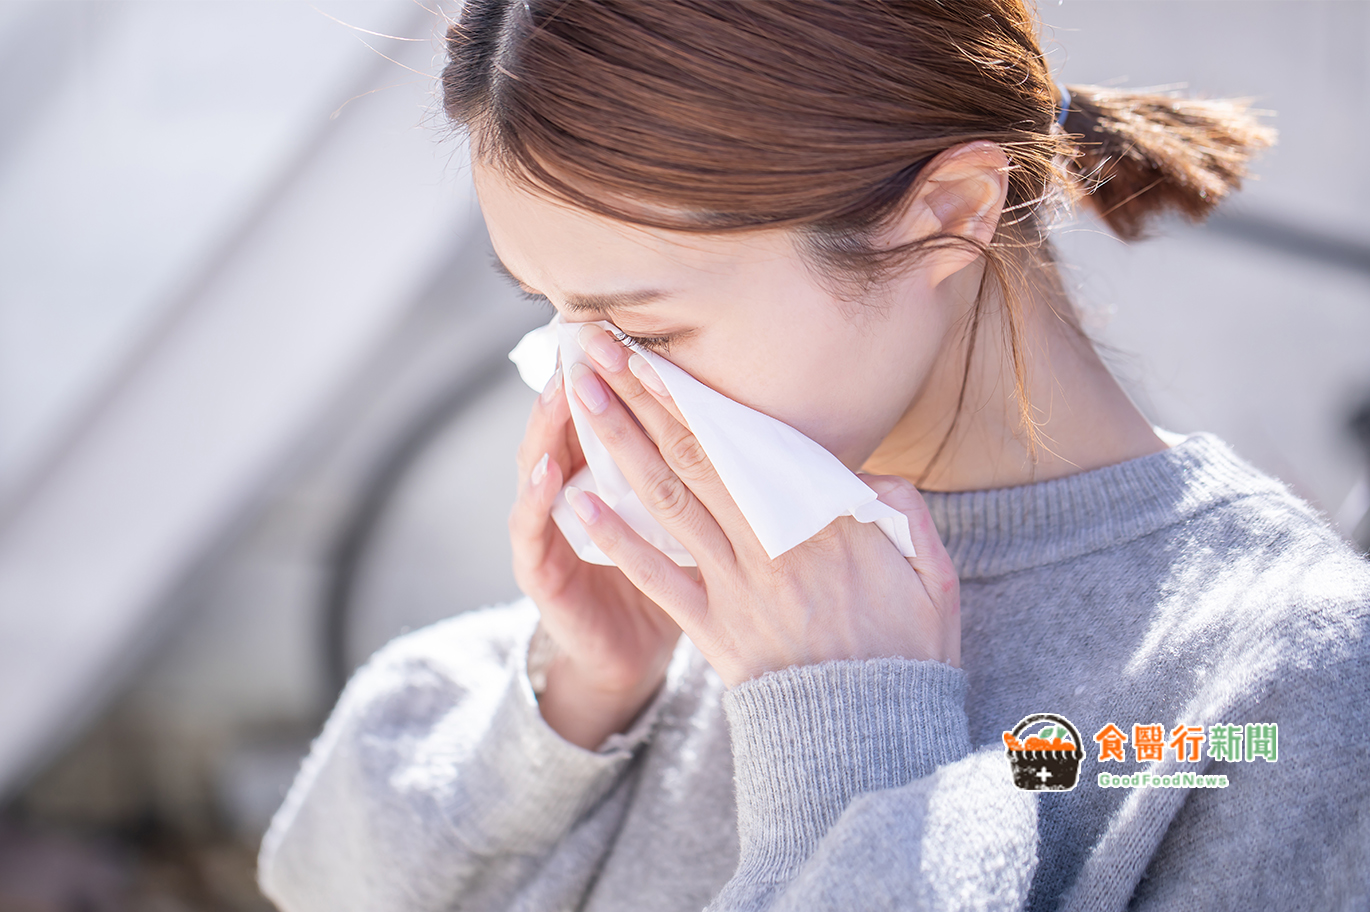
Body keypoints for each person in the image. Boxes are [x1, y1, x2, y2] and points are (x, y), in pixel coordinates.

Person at [256, 2, 1370, 910]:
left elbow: (1099, 758)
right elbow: (317, 879)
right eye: (553, 318)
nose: (589, 389)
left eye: (641, 329)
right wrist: (570, 697)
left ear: (945, 212)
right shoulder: (700, 576)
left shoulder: (1272, 690)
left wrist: (849, 732)